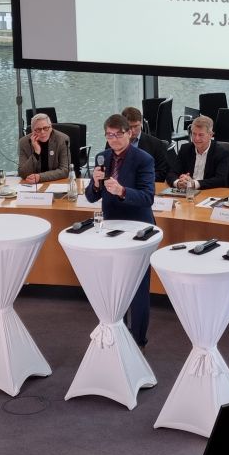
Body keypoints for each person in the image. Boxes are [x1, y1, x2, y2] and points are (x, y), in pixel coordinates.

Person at [86, 114, 155, 347]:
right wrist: (96, 183)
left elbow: (147, 197)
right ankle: (119, 332)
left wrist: (122, 191)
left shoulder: (143, 159)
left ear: (129, 133)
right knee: (114, 284)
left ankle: (138, 340)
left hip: (138, 229)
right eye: (109, 135)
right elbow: (91, 196)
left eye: (118, 134)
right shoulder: (102, 157)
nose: (113, 139)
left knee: (138, 287)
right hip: (112, 227)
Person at [167, 115, 229, 190]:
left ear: (210, 135)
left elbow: (220, 180)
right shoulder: (185, 149)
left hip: (208, 192)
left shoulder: (221, 153)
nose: (196, 138)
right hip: (187, 192)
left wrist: (194, 183)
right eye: (194, 134)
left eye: (201, 135)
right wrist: (178, 183)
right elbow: (171, 173)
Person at [17, 112, 71, 184]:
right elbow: (23, 173)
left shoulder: (62, 140)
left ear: (51, 127)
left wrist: (40, 177)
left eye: (45, 128)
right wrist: (36, 152)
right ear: (32, 130)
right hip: (33, 185)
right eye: (38, 129)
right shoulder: (24, 142)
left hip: (56, 182)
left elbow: (65, 171)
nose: (42, 132)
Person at [122, 106, 169, 183]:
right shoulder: (113, 143)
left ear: (141, 123)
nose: (133, 130)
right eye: (129, 127)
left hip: (144, 186)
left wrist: (139, 179)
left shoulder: (156, 144)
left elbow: (161, 174)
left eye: (136, 126)